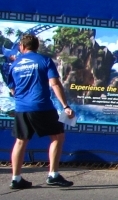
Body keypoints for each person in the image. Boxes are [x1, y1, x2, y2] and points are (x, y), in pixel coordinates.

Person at [4, 34, 74, 188]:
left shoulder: (15, 65)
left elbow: (13, 90)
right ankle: (53, 175)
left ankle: (16, 179)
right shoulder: (44, 60)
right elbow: (54, 84)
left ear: (22, 47)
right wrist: (65, 106)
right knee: (57, 137)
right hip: (42, 106)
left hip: (21, 108)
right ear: (36, 46)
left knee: (21, 141)